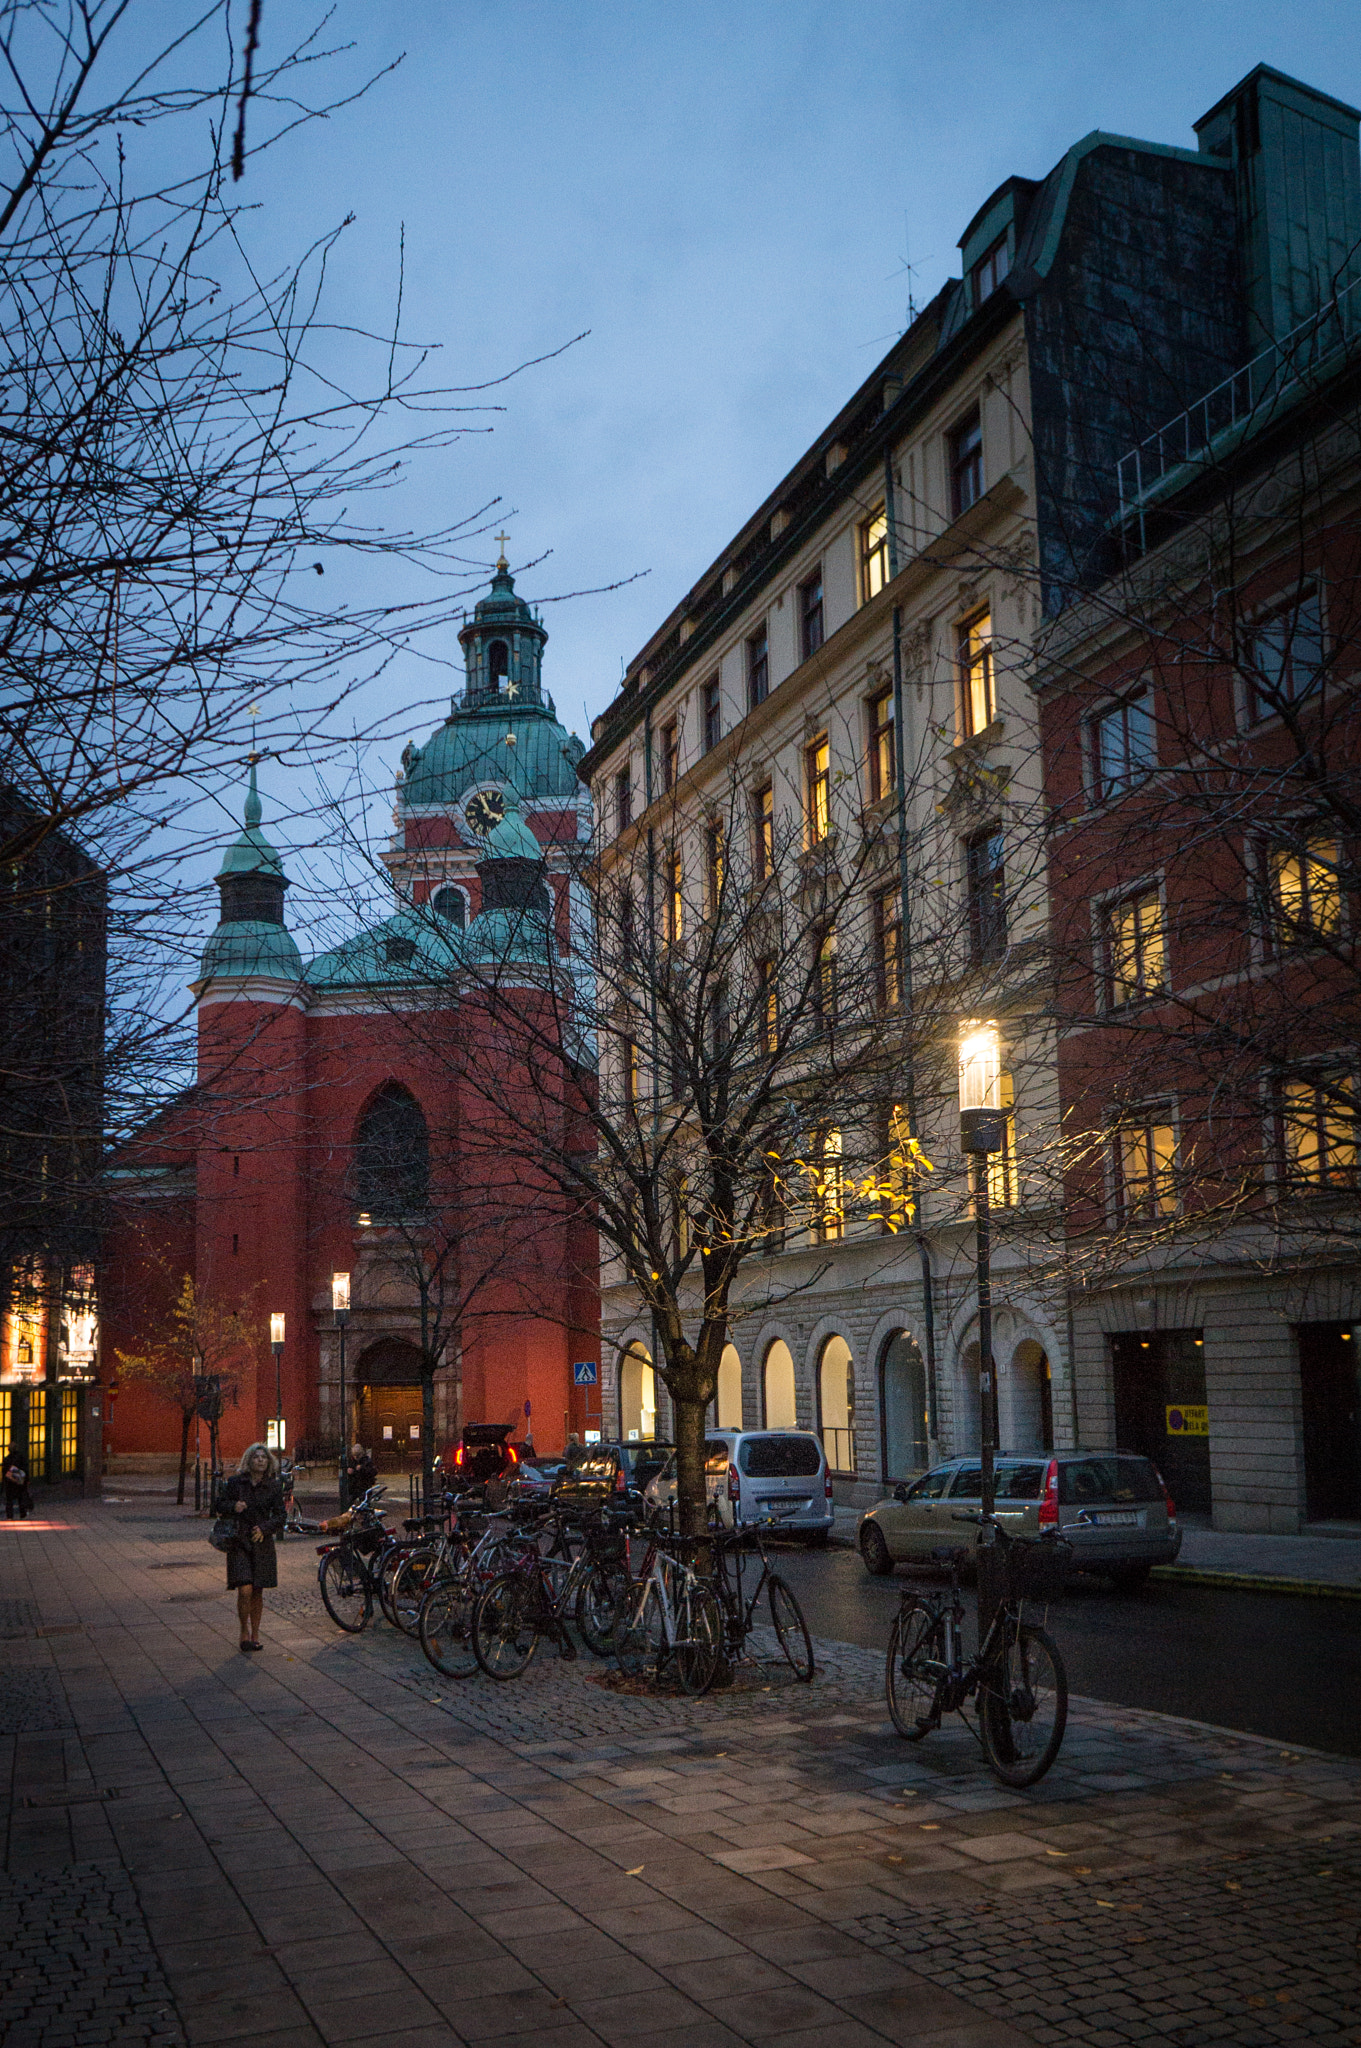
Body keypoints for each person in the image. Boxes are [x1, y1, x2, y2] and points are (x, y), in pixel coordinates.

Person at [216, 1443, 285, 1652]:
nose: (261, 1460)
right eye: (256, 1457)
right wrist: (233, 1506)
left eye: (264, 1457)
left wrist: (265, 1529)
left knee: (257, 1590)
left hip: (261, 1543)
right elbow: (218, 1504)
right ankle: (243, 1630)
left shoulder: (273, 1486)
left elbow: (281, 1515)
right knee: (244, 1589)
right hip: (240, 1541)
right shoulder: (236, 1483)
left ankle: (255, 1633)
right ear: (249, 1461)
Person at [3, 1449, 32, 1519]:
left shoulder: (6, 1459)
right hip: (20, 1481)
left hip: (10, 1482)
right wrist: (27, 1480)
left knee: (9, 1499)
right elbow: (25, 1470)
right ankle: (22, 1513)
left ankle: (9, 1516)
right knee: (21, 1497)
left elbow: (4, 1471)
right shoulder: (21, 1458)